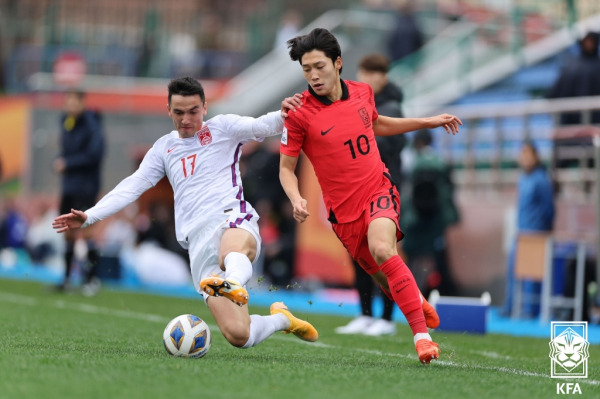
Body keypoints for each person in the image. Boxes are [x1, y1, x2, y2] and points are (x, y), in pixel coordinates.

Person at [53, 77, 318, 350]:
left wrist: (284, 113)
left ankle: (233, 283)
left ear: (204, 107)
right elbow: (132, 186)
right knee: (240, 335)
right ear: (169, 110)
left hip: (231, 217)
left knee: (231, 254)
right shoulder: (164, 149)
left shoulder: (223, 127)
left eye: (193, 111)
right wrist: (91, 215)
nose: (186, 119)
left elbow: (263, 124)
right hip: (197, 242)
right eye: (179, 112)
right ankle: (281, 320)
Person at [280, 28, 462, 364]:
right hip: (342, 212)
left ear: (338, 63)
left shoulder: (363, 92)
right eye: (306, 70)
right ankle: (417, 299)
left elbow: (378, 124)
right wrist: (296, 198)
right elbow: (286, 169)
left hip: (378, 189)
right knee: (382, 276)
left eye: (319, 66)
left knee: (383, 248)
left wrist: (428, 122)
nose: (314, 75)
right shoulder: (298, 113)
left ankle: (421, 337)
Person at [335, 53, 405, 336]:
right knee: (359, 252)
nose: (367, 80)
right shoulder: (356, 101)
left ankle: (387, 318)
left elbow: (391, 145)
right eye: (364, 74)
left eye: (373, 74)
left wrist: (356, 139)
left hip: (384, 189)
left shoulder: (392, 106)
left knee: (384, 253)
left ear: (383, 76)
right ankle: (365, 314)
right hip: (358, 188)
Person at [53, 89, 104, 295]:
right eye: (68, 102)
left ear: (82, 103)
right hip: (69, 186)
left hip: (86, 186)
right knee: (67, 232)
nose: (70, 106)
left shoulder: (92, 125)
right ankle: (66, 279)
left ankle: (91, 280)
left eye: (74, 102)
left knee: (87, 232)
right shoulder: (66, 122)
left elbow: (94, 155)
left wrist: (67, 163)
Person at [401, 129, 460, 299]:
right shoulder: (441, 162)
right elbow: (449, 191)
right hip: (436, 219)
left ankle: (410, 293)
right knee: (436, 256)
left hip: (413, 218)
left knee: (411, 256)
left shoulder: (411, 161)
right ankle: (440, 293)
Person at [501, 141, 555, 318]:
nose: (524, 158)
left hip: (535, 233)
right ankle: (510, 307)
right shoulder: (523, 178)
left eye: (527, 154)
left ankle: (529, 310)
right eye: (522, 154)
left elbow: (549, 209)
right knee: (513, 269)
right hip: (521, 232)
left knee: (532, 274)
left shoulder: (541, 179)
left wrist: (545, 230)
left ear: (536, 157)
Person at [547, 31, 600, 125]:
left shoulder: (571, 66)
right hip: (572, 128)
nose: (589, 44)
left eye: (591, 41)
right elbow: (554, 96)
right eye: (586, 41)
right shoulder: (570, 68)